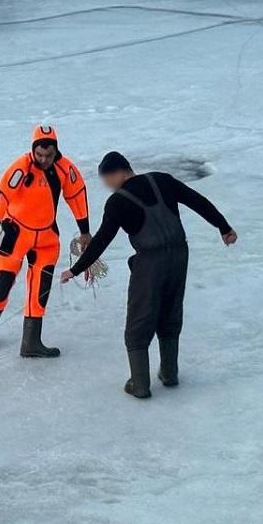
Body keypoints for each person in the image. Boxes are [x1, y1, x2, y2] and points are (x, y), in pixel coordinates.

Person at [62, 152, 237, 398]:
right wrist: (224, 227)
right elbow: (198, 201)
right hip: (179, 255)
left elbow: (102, 240)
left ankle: (140, 384)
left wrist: (75, 269)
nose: (107, 186)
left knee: (139, 320)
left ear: (118, 172)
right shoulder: (162, 180)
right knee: (170, 311)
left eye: (107, 180)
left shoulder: (117, 202)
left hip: (150, 262)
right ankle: (169, 373)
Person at [0, 124, 91, 357]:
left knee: (40, 289)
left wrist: (85, 231)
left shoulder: (64, 169)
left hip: (47, 238)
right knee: (3, 282)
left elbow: (77, 195)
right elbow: (2, 195)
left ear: (56, 151)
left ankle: (31, 342)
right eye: (39, 155)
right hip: (16, 234)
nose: (43, 159)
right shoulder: (21, 167)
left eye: (48, 155)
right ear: (33, 150)